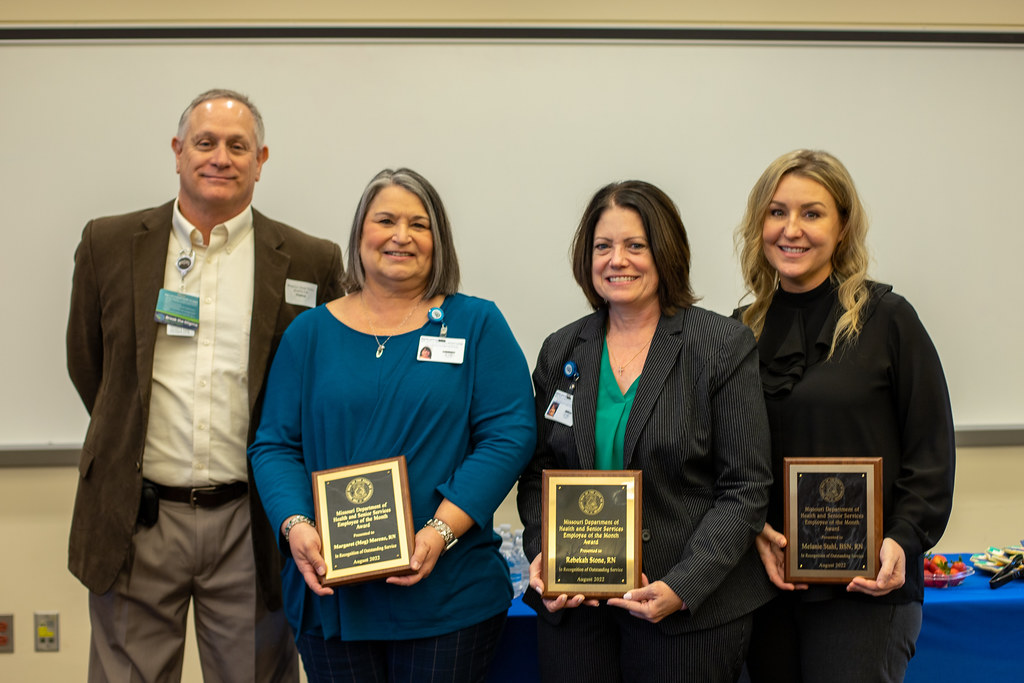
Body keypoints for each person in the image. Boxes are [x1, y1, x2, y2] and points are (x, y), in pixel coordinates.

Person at [65, 88, 345, 682]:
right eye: (206, 142)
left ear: (261, 160)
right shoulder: (108, 244)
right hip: (136, 517)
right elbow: (90, 365)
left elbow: (324, 387)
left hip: (253, 521)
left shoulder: (309, 260)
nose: (221, 157)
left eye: (238, 146)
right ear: (177, 151)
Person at [249, 168, 536, 682]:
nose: (401, 236)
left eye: (418, 224)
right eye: (385, 220)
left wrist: (441, 530)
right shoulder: (307, 334)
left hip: (448, 592)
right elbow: (274, 446)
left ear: (438, 240)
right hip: (332, 594)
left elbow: (509, 435)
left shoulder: (477, 324)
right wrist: (295, 525)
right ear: (360, 233)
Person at [516, 180, 775, 683]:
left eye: (636, 245)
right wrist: (544, 553)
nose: (618, 260)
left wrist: (683, 585)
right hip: (578, 615)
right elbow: (537, 473)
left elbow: (745, 488)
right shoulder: (560, 350)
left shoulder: (721, 345)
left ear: (665, 252)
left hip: (686, 616)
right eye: (603, 246)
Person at [734, 149, 956, 683]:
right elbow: (726, 458)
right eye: (777, 212)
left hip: (866, 585)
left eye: (812, 213)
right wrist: (754, 531)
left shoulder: (890, 320)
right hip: (764, 586)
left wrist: (902, 539)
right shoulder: (737, 332)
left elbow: (930, 452)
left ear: (843, 227)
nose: (791, 229)